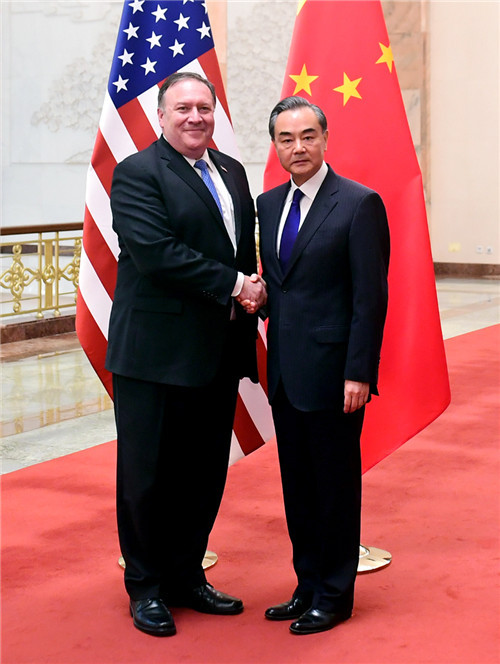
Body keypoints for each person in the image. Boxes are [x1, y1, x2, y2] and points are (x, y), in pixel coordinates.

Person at [106, 72, 266, 637]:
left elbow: (239, 247)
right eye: (183, 108)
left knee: (203, 473)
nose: (195, 116)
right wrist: (235, 285)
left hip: (216, 351)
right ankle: (146, 588)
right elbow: (156, 253)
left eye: (204, 107)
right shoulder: (137, 173)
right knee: (148, 476)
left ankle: (186, 576)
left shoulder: (231, 171)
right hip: (154, 354)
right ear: (162, 115)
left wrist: (256, 285)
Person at [256, 96, 390, 635]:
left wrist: (359, 372)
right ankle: (306, 583)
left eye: (307, 136)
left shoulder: (359, 204)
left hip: (337, 377)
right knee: (298, 487)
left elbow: (370, 298)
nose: (298, 148)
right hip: (286, 373)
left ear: (325, 139)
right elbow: (284, 286)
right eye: (286, 139)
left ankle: (334, 595)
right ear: (276, 147)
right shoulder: (268, 205)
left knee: (334, 488)